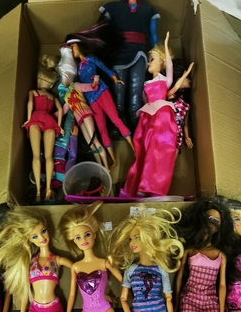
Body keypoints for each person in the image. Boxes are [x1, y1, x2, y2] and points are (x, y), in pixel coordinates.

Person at [65, 22, 135, 168]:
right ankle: (113, 160)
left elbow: (104, 68)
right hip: (91, 99)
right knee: (102, 129)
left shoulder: (91, 59)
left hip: (101, 91)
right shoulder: (78, 68)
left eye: (72, 47)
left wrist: (114, 77)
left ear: (78, 45)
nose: (71, 51)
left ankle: (135, 149)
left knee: (115, 119)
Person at [99, 0, 160, 130]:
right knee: (118, 93)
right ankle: (116, 127)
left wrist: (158, 54)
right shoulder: (112, 8)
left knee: (136, 93)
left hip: (140, 53)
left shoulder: (148, 10)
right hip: (119, 53)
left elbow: (154, 36)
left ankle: (136, 128)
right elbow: (102, 32)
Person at [120, 31, 177, 198]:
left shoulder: (164, 80)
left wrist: (165, 45)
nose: (149, 63)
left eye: (152, 59)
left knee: (157, 150)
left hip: (162, 117)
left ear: (162, 62)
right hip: (147, 117)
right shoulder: (145, 83)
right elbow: (144, 100)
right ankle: (140, 184)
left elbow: (170, 67)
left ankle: (151, 185)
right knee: (142, 149)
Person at [56, 44, 110, 170]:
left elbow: (89, 87)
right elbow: (64, 110)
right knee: (90, 144)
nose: (62, 80)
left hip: (85, 114)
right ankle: (101, 167)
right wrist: (52, 115)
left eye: (63, 76)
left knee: (94, 140)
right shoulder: (66, 95)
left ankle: (106, 166)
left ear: (68, 75)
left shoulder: (77, 85)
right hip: (80, 120)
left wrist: (94, 83)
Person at [22, 55, 64, 202]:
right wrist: (59, 125)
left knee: (35, 155)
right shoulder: (53, 97)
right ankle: (48, 189)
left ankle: (39, 192)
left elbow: (30, 104)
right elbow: (60, 110)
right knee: (48, 156)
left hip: (36, 118)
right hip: (50, 121)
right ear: (51, 85)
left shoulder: (33, 92)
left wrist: (28, 119)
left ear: (39, 79)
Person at [167, 58, 195, 157]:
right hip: (167, 129)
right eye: (187, 77)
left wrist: (187, 137)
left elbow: (185, 124)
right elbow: (176, 87)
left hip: (178, 135)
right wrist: (186, 72)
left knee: (171, 163)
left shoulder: (186, 105)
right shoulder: (171, 96)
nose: (189, 80)